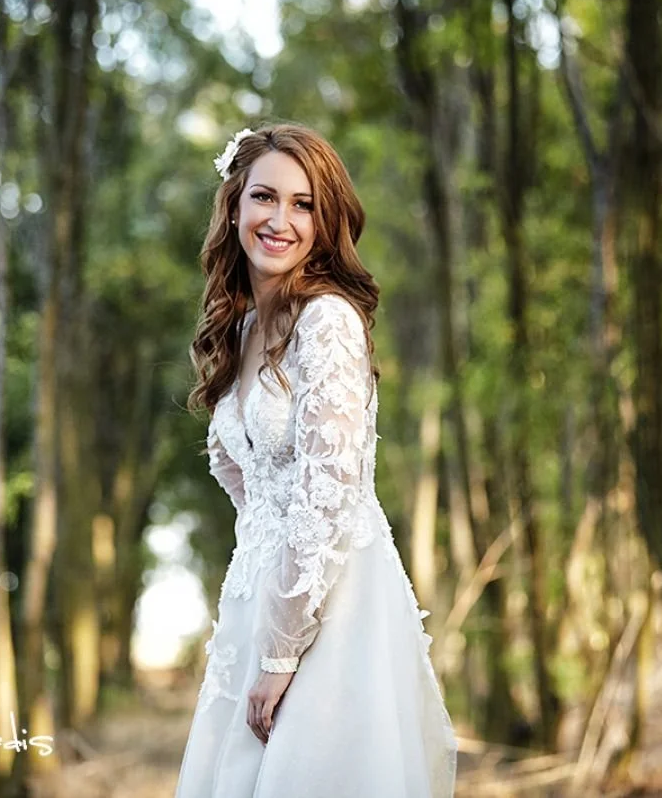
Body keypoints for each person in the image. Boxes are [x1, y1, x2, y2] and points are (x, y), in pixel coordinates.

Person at [176, 123, 457, 797]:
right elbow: (251, 489)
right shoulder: (241, 329)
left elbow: (325, 495)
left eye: (303, 205)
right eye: (264, 197)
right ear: (234, 206)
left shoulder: (326, 321)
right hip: (258, 599)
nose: (280, 220)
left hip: (333, 608)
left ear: (324, 222)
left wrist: (281, 649)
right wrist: (259, 596)